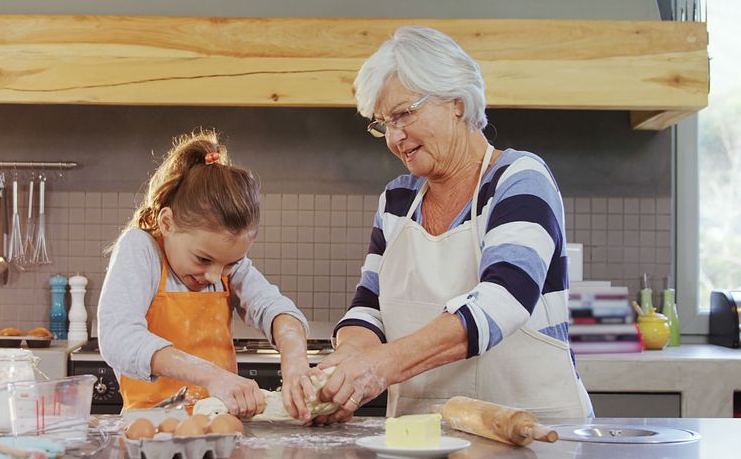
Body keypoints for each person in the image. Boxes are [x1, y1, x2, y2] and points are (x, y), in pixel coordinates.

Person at [313, 26, 593, 423]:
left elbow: (504, 299)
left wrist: (380, 367)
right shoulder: (398, 200)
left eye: (404, 114)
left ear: (457, 102)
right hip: (423, 436)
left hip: (531, 433)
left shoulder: (519, 178)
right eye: (383, 123)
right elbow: (370, 307)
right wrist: (346, 361)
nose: (395, 137)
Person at [98, 129, 316, 420]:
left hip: (219, 425)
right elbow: (118, 337)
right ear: (167, 223)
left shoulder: (223, 264)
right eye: (203, 259)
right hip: (152, 428)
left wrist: (295, 362)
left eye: (230, 264)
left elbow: (275, 309)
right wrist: (211, 376)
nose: (215, 276)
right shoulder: (142, 249)